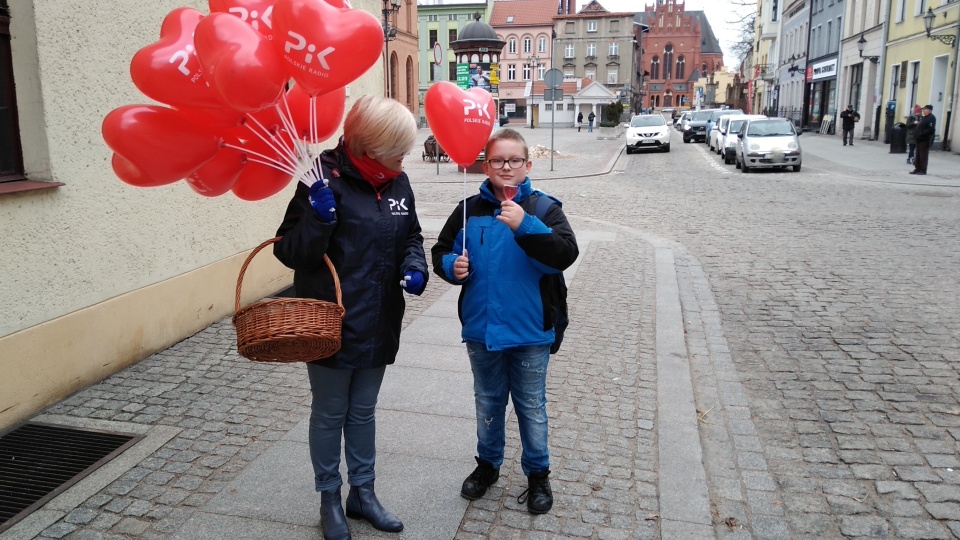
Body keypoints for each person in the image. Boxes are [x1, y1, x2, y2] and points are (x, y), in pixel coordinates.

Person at [273, 95, 428, 540]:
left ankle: (363, 493)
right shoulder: (321, 179)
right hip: (331, 320)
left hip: (379, 317)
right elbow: (291, 252)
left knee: (363, 412)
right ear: (370, 144)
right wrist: (318, 220)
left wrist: (414, 265)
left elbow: (411, 234)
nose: (403, 159)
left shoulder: (397, 182)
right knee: (329, 413)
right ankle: (329, 498)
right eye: (396, 150)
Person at [430, 128, 579, 515]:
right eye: (498, 160)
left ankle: (538, 473)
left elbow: (564, 254)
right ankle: (487, 464)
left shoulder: (545, 209)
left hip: (530, 330)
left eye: (514, 160)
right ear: (486, 165)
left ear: (528, 165)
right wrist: (452, 266)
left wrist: (525, 225)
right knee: (488, 401)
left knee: (531, 405)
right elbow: (441, 251)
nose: (506, 167)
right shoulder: (469, 209)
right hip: (482, 330)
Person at [911, 104, 936, 175]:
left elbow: (931, 129)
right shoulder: (924, 117)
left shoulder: (931, 118)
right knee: (918, 155)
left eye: (924, 109)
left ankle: (923, 170)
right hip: (919, 139)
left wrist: (921, 133)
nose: (923, 111)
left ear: (928, 110)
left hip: (924, 140)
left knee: (923, 156)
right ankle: (917, 168)